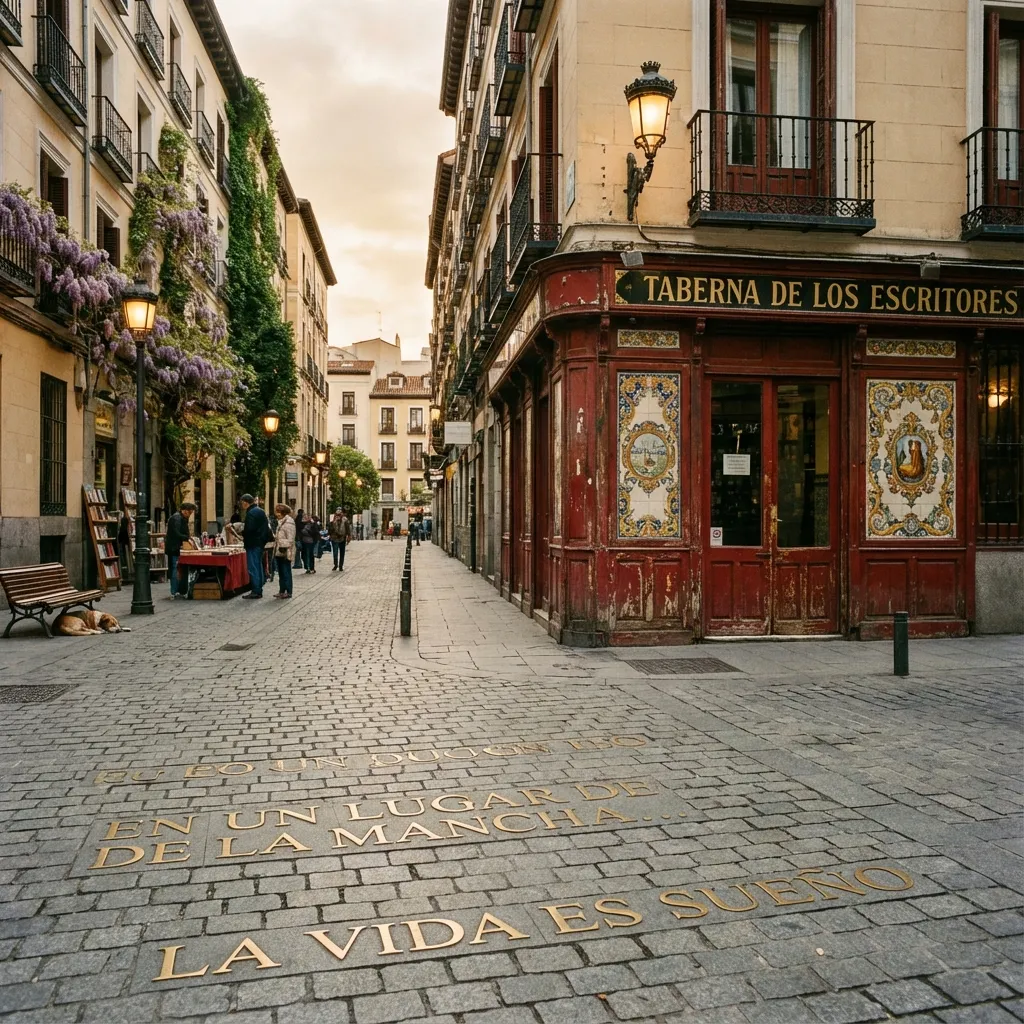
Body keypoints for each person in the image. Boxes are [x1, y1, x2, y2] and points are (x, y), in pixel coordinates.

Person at [239, 493, 271, 599]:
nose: (241, 505)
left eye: (242, 503)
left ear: (245, 502)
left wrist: (241, 532)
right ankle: (259, 586)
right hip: (259, 542)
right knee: (258, 565)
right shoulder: (260, 511)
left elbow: (250, 529)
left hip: (253, 543)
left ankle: (256, 590)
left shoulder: (251, 513)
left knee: (253, 567)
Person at [165, 501, 195, 599]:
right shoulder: (177, 518)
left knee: (176, 568)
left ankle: (178, 590)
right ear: (184, 511)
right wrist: (186, 538)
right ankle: (174, 591)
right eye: (189, 512)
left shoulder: (181, 518)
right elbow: (176, 533)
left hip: (176, 547)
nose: (190, 515)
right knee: (174, 568)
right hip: (174, 548)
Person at [272, 504, 295, 598]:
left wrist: (281, 543)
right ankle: (282, 590)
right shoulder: (281, 522)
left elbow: (291, 539)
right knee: (281, 572)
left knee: (286, 571)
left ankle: (288, 591)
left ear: (282, 512)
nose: (276, 513)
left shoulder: (289, 523)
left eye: (277, 511)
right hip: (279, 550)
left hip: (285, 551)